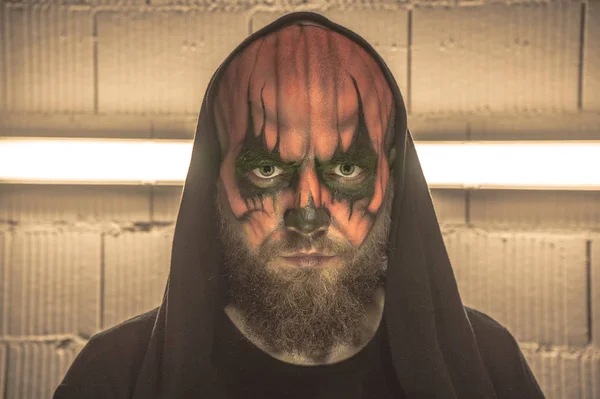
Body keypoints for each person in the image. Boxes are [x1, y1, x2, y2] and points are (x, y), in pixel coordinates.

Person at [54, 11, 545, 398]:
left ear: (391, 179)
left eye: (347, 169)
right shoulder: (114, 377)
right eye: (267, 170)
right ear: (213, 181)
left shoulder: (488, 366)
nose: (308, 216)